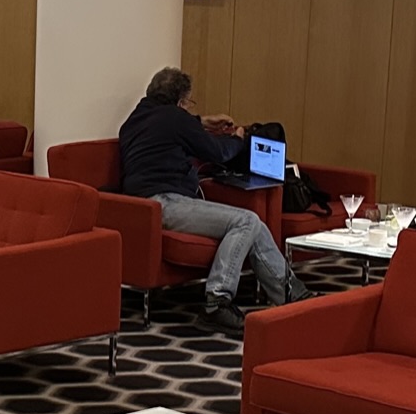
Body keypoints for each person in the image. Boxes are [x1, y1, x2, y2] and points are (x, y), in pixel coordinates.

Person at [118, 66, 304, 332]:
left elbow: (171, 125)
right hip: (166, 203)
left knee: (256, 226)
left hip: (142, 207)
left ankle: (292, 294)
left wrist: (201, 121)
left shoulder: (134, 120)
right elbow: (217, 152)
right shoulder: (175, 118)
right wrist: (238, 139)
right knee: (245, 220)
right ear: (181, 101)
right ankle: (217, 302)